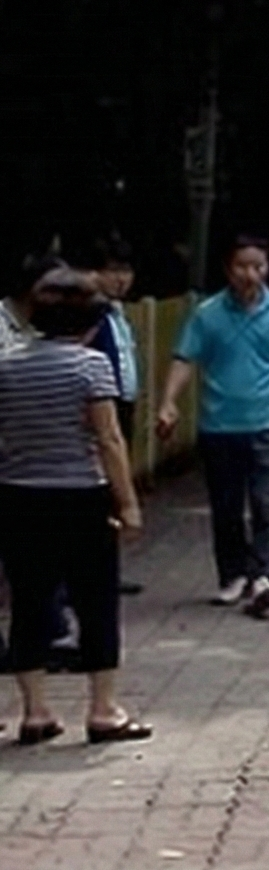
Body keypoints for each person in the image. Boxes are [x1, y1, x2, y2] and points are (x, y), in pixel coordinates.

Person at [0, 268, 150, 744]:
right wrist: (128, 504)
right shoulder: (91, 367)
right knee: (96, 600)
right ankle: (103, 710)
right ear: (88, 323)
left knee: (29, 600)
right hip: (82, 496)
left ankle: (35, 712)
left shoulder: (7, 365)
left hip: (19, 495)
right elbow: (107, 438)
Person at [155, 235, 269, 620]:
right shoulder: (208, 314)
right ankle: (233, 574)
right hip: (220, 424)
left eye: (258, 266)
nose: (250, 274)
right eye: (242, 266)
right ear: (228, 269)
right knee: (225, 507)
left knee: (265, 503)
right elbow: (184, 358)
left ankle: (265, 579)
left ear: (267, 268)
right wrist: (168, 402)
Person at [82, 237, 145, 594]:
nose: (121, 279)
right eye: (112, 271)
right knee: (104, 488)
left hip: (122, 403)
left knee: (116, 482)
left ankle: (108, 569)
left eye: (126, 271)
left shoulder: (119, 315)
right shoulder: (89, 317)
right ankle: (95, 574)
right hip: (99, 406)